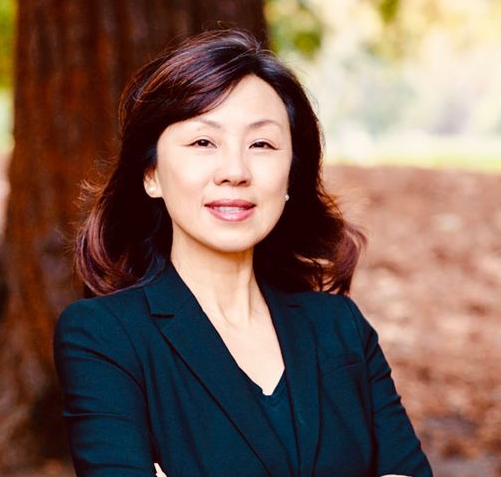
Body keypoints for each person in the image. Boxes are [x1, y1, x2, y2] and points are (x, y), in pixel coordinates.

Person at [53, 29, 433, 477]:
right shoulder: (104, 338)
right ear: (152, 174)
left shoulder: (341, 330)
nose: (234, 171)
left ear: (292, 175)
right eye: (203, 142)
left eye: (262, 145)